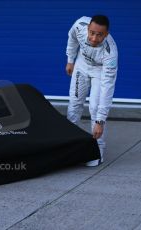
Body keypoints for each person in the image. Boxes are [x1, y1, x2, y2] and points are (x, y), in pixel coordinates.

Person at [65, 15, 118, 166]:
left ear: (106, 34)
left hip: (100, 71)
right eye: (92, 33)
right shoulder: (79, 25)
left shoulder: (111, 53)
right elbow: (72, 38)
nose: (94, 38)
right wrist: (70, 59)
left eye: (100, 35)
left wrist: (100, 121)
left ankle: (97, 149)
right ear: (87, 29)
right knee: (74, 105)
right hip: (81, 65)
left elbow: (108, 88)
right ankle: (69, 145)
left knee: (95, 108)